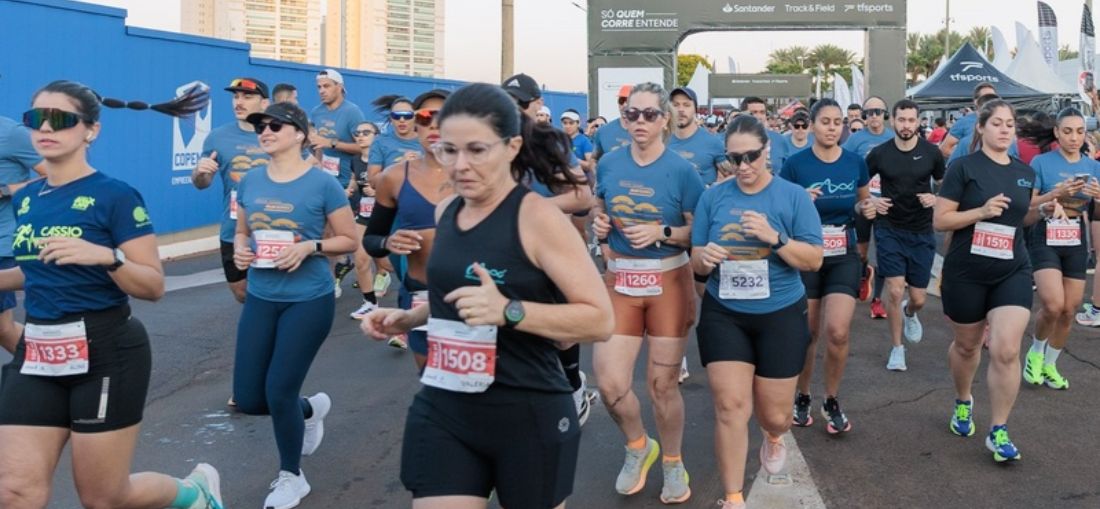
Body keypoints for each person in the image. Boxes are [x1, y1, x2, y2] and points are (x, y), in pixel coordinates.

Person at [361, 82, 614, 509]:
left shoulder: (536, 217)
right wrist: (409, 319)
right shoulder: (448, 212)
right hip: (446, 405)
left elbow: (599, 319)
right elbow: (458, 296)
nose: (460, 165)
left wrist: (508, 311)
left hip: (526, 408)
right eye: (449, 150)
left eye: (476, 150)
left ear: (512, 146)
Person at [0, 80, 224, 509]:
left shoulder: (114, 195)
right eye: (36, 119)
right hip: (37, 351)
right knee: (14, 491)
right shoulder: (26, 198)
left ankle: (195, 494)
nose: (46, 127)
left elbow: (153, 286)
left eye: (61, 119)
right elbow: (32, 273)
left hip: (105, 350)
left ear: (90, 131)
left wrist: (106, 257)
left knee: (104, 497)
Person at [692, 115, 824, 509]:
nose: (743, 166)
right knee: (730, 406)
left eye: (751, 156)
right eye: (735, 159)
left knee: (776, 415)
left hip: (780, 313)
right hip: (725, 312)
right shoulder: (713, 197)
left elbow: (814, 259)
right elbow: (695, 261)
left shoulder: (793, 196)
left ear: (767, 150)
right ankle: (733, 498)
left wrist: (776, 238)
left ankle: (773, 436)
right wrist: (705, 258)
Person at [232, 102, 358, 507]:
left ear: (300, 134)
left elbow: (349, 239)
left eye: (274, 125)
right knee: (251, 398)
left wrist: (310, 246)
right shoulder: (251, 180)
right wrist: (240, 252)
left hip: (308, 299)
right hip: (261, 295)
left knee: (279, 389)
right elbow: (241, 232)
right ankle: (310, 410)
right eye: (260, 127)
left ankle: (291, 476)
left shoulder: (323, 184)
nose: (264, 131)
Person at [592, 82, 704, 504]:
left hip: (667, 282)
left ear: (664, 120)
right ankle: (639, 447)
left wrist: (664, 231)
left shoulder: (682, 170)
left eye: (649, 114)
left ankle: (673, 462)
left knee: (662, 386)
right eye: (631, 114)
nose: (639, 121)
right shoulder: (610, 164)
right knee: (610, 384)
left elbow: (700, 231)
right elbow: (600, 210)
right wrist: (600, 229)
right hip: (621, 281)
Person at [934, 99, 1038, 462]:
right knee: (967, 347)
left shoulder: (1025, 173)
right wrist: (980, 211)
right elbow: (941, 220)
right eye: (997, 123)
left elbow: (1020, 219)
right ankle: (964, 400)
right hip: (967, 272)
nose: (1005, 129)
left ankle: (999, 430)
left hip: (1013, 269)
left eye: (1010, 123)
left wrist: (1044, 208)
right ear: (980, 127)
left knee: (1007, 349)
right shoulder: (962, 168)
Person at [782, 98, 876, 434]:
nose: (833, 127)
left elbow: (864, 200)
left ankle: (832, 399)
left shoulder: (854, 163)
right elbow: (779, 209)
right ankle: (803, 395)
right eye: (826, 121)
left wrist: (869, 208)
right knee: (808, 333)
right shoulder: (795, 165)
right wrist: (799, 201)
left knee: (837, 332)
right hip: (807, 252)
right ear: (812, 126)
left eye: (838, 122)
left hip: (843, 252)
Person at [363, 89, 453, 368]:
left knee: (480, 389)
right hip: (419, 293)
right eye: (425, 118)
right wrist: (388, 243)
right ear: (416, 125)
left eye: (442, 117)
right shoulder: (394, 177)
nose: (433, 126)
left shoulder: (481, 174)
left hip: (474, 294)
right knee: (432, 382)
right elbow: (371, 239)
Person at [1022, 108, 1100, 390]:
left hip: (1075, 236)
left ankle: (1051, 364)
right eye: (1067, 131)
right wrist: (1056, 195)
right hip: (1045, 233)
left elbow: (1098, 212)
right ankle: (1035, 352)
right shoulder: (1041, 163)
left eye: (1079, 131)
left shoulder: (1094, 166)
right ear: (1056, 132)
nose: (1074, 137)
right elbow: (1028, 208)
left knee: (1069, 309)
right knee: (1053, 305)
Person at [865, 100, 946, 371]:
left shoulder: (932, 153)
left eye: (911, 121)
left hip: (921, 231)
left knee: (919, 298)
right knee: (895, 290)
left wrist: (934, 198)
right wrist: (873, 202)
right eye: (902, 120)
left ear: (918, 122)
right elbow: (861, 185)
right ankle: (897, 348)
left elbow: (946, 188)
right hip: (889, 229)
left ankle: (910, 313)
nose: (906, 126)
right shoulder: (879, 153)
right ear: (892, 121)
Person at [193, 77, 270, 305]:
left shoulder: (277, 132)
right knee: (241, 292)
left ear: (264, 103)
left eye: (247, 97)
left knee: (273, 291)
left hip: (275, 226)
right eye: (235, 97)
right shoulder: (218, 137)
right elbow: (201, 182)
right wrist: (200, 172)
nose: (239, 102)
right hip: (234, 228)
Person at [308, 69, 367, 299]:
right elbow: (318, 146)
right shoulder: (316, 112)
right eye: (319, 87)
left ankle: (377, 267)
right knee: (326, 229)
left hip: (349, 178)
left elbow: (363, 146)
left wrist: (331, 142)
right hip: (325, 179)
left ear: (339, 87)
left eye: (327, 86)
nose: (322, 91)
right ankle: (332, 279)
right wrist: (316, 162)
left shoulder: (352, 112)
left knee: (345, 232)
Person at [0, 112, 45, 354]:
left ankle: (50, 367)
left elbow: (58, 174)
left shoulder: (11, 133)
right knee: (3, 327)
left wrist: (7, 189)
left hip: (4, 241)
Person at [844, 96, 895, 306]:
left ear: (885, 114)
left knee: (884, 251)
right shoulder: (856, 139)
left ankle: (877, 300)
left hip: (886, 202)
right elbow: (843, 163)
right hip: (864, 201)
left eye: (878, 111)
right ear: (864, 116)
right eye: (869, 112)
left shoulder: (893, 137)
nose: (874, 116)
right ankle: (863, 275)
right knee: (862, 250)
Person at [348, 120, 383, 320]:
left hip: (386, 216)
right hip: (364, 215)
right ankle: (370, 303)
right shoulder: (356, 159)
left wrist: (378, 191)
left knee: (389, 265)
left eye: (366, 132)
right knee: (360, 259)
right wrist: (349, 188)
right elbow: (355, 179)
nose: (360, 135)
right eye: (357, 132)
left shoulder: (384, 159)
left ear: (376, 136)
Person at [668, 87, 726, 186]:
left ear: (695, 109)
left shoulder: (713, 143)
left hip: (701, 200)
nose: (681, 110)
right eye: (675, 105)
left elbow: (730, 176)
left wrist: (713, 191)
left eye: (686, 105)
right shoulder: (660, 142)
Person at [940, 82, 997, 159]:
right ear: (976, 101)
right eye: (985, 97)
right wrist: (968, 161)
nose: (990, 101)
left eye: (993, 98)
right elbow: (945, 149)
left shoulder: (1003, 121)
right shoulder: (963, 122)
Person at [741, 97, 786, 172]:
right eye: (754, 112)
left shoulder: (779, 139)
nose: (759, 117)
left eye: (762, 112)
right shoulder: (733, 141)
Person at [594, 84, 636, 159]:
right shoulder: (603, 132)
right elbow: (593, 160)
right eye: (621, 101)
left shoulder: (648, 132)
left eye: (629, 101)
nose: (624, 105)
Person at [561, 109, 595, 173]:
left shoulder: (584, 141)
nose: (567, 126)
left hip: (578, 180)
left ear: (578, 123)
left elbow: (591, 166)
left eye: (571, 123)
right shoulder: (559, 140)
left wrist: (574, 160)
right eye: (565, 123)